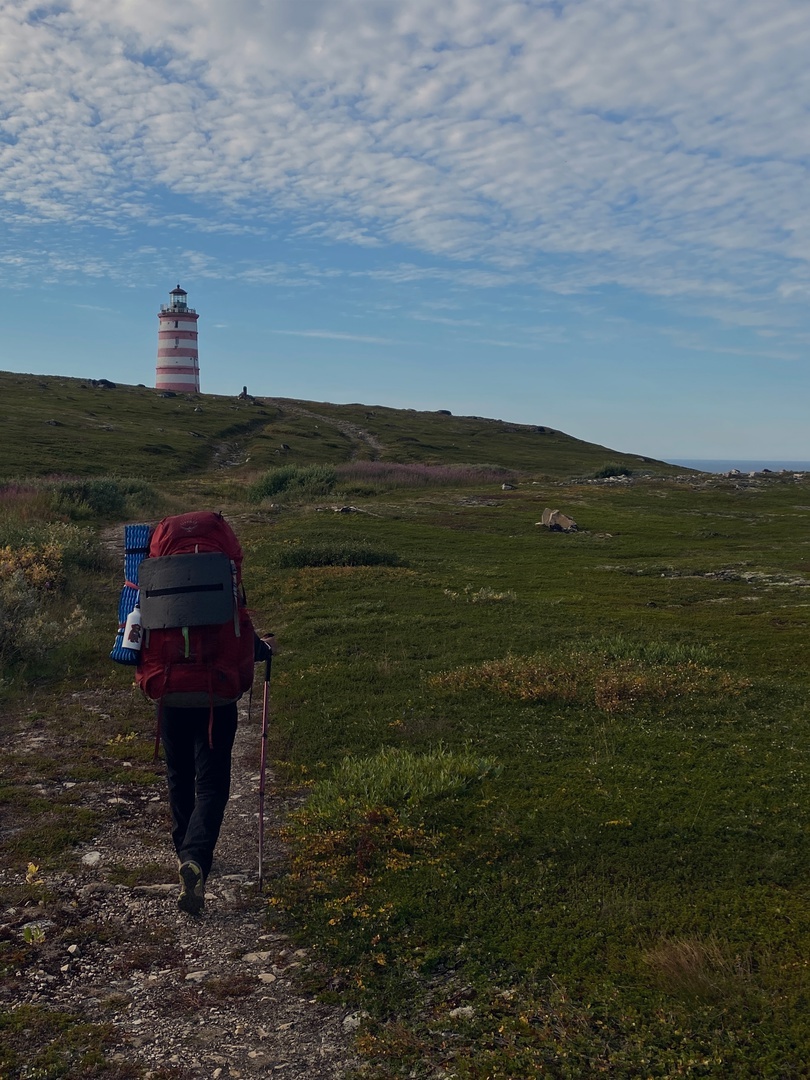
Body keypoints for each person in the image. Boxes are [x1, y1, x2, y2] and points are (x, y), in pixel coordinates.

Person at [161, 631, 275, 915]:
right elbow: (241, 631)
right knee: (211, 785)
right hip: (216, 694)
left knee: (179, 775)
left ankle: (184, 851)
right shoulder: (225, 583)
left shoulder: (149, 584)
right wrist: (264, 649)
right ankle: (194, 857)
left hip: (169, 690)